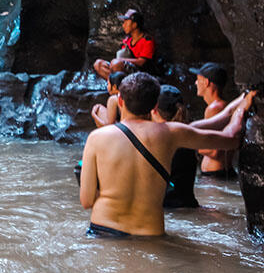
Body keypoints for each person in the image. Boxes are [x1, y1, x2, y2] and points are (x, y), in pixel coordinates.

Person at [79, 72, 254, 237]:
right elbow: (231, 139)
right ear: (155, 105)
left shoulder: (96, 138)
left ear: (120, 101)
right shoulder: (171, 133)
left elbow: (86, 201)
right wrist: (241, 108)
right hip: (149, 233)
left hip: (103, 228)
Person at [151, 85, 199, 209]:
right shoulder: (188, 133)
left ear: (154, 110)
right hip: (189, 205)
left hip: (167, 209)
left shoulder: (154, 138)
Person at [190, 62, 235, 179]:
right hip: (219, 174)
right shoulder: (223, 106)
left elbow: (215, 151)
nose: (195, 83)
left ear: (206, 82)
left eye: (198, 79)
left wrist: (188, 144)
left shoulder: (214, 108)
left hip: (215, 175)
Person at [93, 9, 156, 81]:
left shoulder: (147, 40)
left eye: (126, 22)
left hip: (140, 75)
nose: (123, 25)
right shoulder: (127, 40)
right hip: (124, 70)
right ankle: (116, 84)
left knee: (117, 63)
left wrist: (120, 60)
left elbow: (141, 62)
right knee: (98, 64)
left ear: (135, 25)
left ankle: (119, 85)